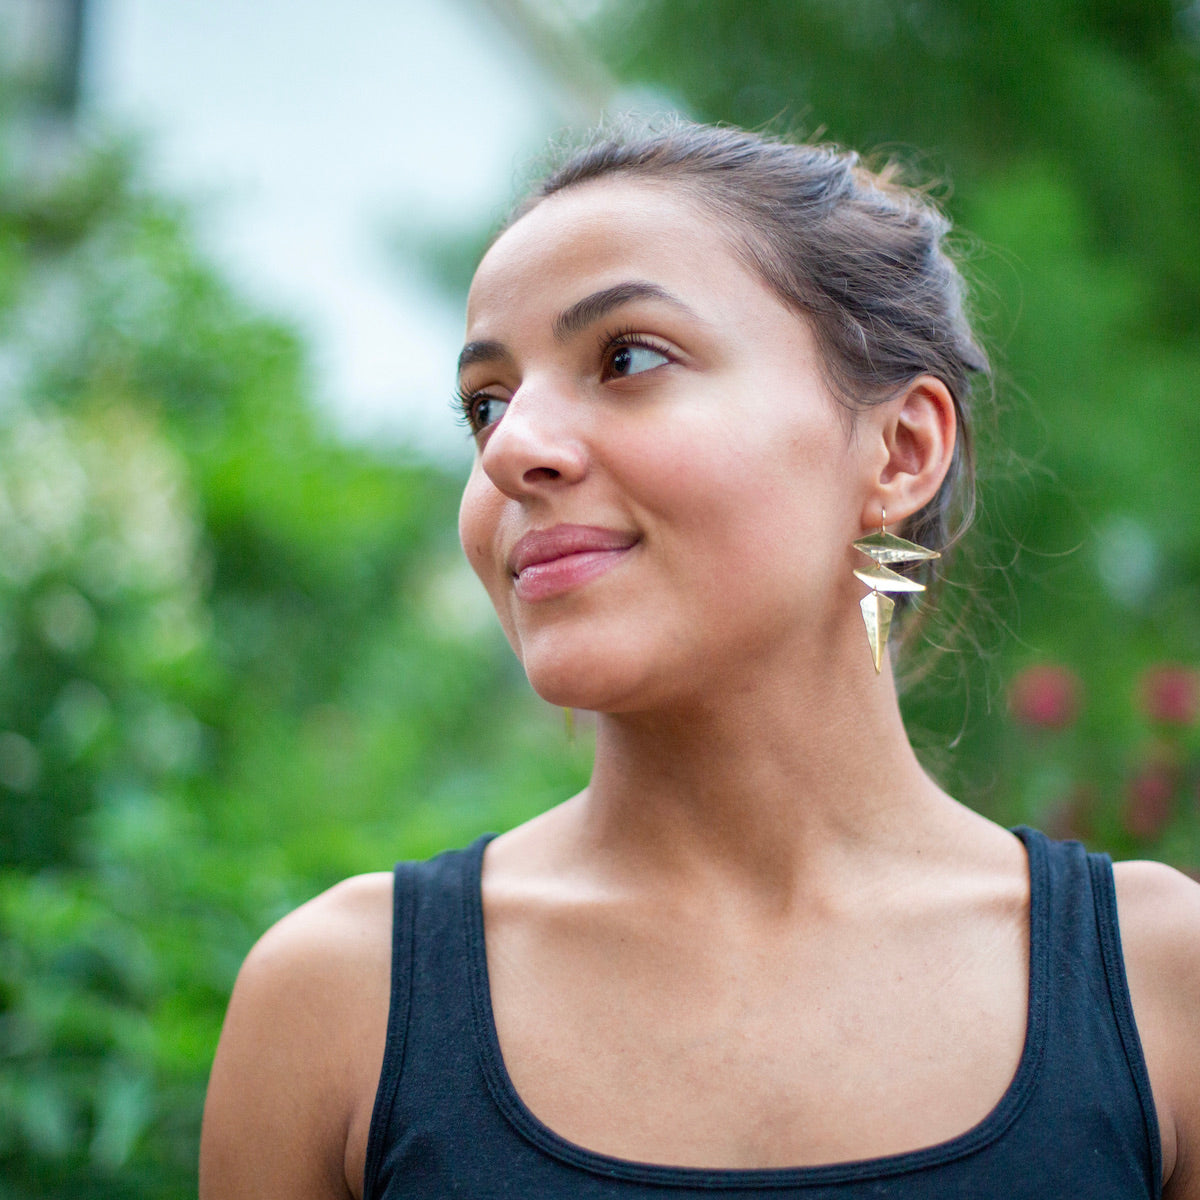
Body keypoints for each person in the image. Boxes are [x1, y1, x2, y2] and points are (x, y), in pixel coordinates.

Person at [199, 119, 1200, 1199]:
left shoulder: (1164, 986)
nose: (511, 446)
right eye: (486, 402)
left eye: (627, 358)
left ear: (900, 450)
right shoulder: (340, 1003)